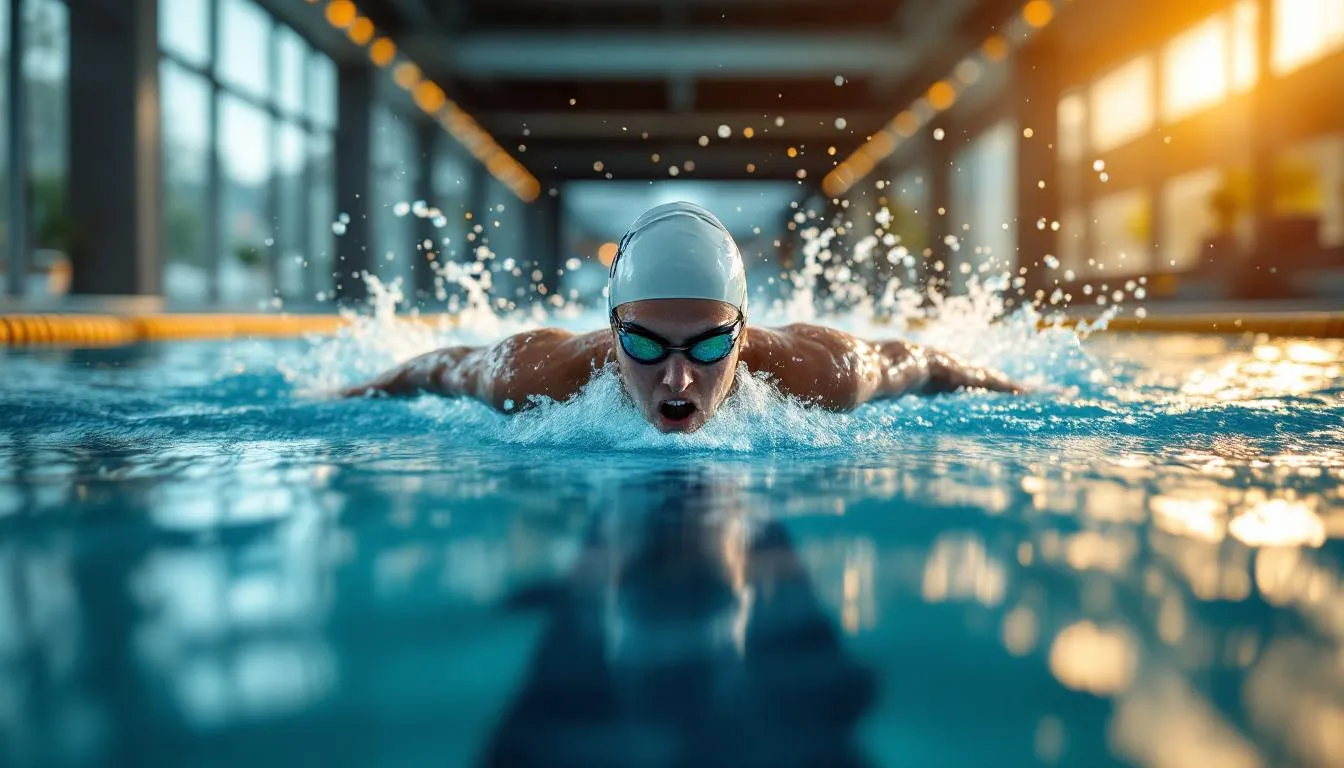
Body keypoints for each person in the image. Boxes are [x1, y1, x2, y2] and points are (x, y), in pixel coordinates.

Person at [343, 201, 1023, 433]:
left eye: (705, 349)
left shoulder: (824, 372)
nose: (676, 381)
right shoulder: (535, 373)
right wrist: (342, 395)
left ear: (743, 335)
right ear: (612, 336)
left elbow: (926, 361)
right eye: (643, 344)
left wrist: (1024, 392)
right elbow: (439, 366)